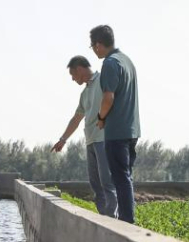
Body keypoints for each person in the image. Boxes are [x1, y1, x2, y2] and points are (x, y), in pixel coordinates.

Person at [51, 56, 117, 218]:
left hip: (104, 138)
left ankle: (113, 220)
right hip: (91, 141)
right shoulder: (85, 92)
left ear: (79, 69)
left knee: (107, 182)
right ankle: (104, 218)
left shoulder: (103, 80)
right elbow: (76, 118)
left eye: (73, 75)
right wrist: (63, 139)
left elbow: (113, 100)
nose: (73, 79)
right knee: (96, 184)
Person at [90, 25, 140, 224]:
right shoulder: (127, 61)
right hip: (132, 129)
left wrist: (101, 118)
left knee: (119, 177)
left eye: (93, 46)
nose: (94, 50)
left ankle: (127, 222)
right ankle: (128, 219)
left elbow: (108, 98)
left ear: (99, 45)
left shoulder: (110, 63)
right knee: (125, 176)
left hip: (117, 131)